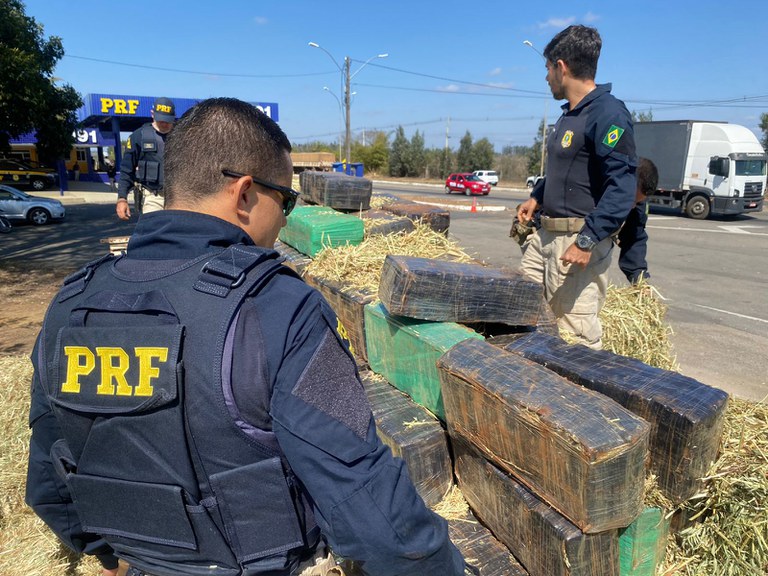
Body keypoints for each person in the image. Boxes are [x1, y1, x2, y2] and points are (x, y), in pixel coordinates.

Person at [26, 97, 466, 576]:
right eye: (288, 200)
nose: (285, 220)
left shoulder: (71, 303)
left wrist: (114, 555)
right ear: (244, 194)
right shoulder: (277, 306)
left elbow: (50, 483)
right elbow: (368, 504)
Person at [517, 24, 637, 349]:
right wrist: (537, 197)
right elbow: (564, 171)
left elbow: (622, 187)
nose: (546, 78)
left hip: (576, 242)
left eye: (547, 69)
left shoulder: (608, 114)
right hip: (545, 237)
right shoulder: (569, 116)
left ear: (561, 67)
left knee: (574, 338)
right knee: (521, 317)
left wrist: (586, 242)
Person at [116, 97, 175, 220]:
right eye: (161, 120)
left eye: (168, 121)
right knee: (153, 233)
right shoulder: (138, 136)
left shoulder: (181, 136)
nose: (164, 124)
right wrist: (122, 198)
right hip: (153, 197)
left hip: (179, 197)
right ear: (152, 114)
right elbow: (127, 170)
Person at [617, 157, 658, 284]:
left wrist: (639, 278)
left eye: (637, 202)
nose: (633, 206)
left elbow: (634, 236)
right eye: (631, 200)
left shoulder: (639, 200)